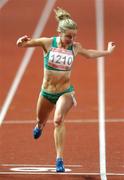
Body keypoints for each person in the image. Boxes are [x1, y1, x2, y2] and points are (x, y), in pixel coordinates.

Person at [16, 7, 116, 172]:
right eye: (68, 36)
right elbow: (24, 44)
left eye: (74, 36)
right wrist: (20, 41)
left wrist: (107, 51)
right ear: (60, 33)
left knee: (58, 120)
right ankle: (40, 126)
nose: (72, 39)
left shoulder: (74, 48)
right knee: (41, 120)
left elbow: (89, 53)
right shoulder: (47, 43)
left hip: (65, 92)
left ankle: (59, 160)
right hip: (46, 93)